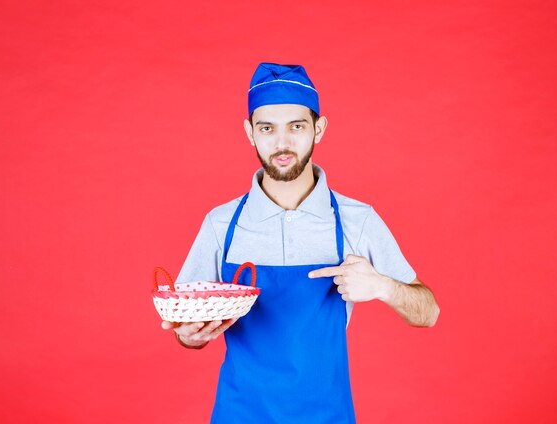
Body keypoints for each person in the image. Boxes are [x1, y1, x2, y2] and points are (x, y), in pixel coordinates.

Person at [161, 62, 440, 423]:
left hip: (327, 414)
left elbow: (429, 313)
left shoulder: (357, 220)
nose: (282, 143)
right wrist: (190, 336)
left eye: (296, 126)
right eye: (267, 128)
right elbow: (187, 332)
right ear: (249, 133)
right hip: (239, 413)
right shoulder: (221, 224)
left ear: (318, 129)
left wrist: (385, 287)